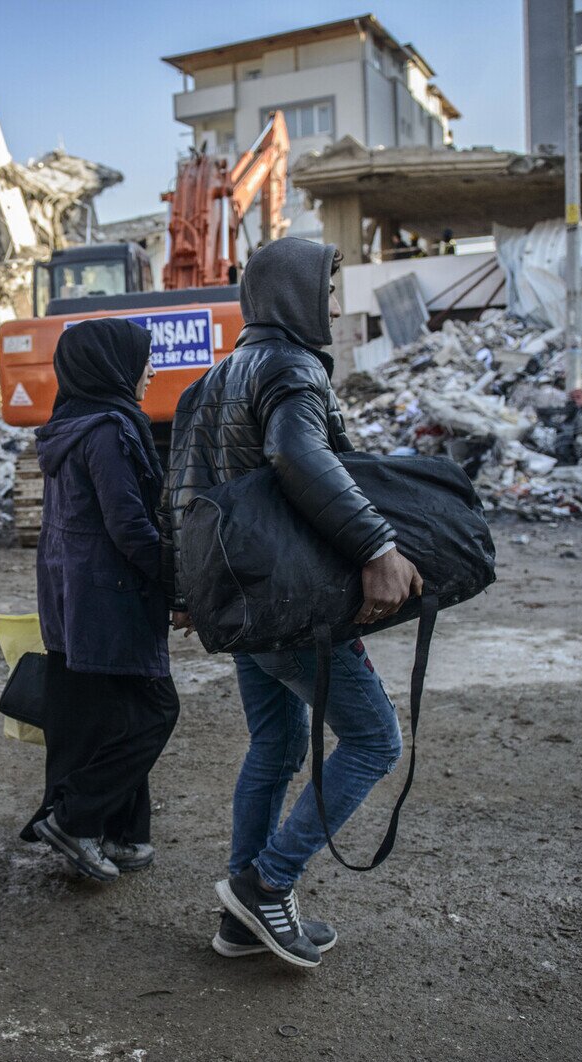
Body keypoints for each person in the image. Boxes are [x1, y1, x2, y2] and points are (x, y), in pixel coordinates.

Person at [159, 237, 424, 967]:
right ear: (296, 296)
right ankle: (269, 882)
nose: (334, 307)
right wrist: (377, 548)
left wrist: (184, 593)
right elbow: (299, 457)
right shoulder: (291, 366)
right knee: (375, 741)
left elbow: (178, 497)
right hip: (290, 603)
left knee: (274, 747)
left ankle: (244, 922)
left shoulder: (207, 383)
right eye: (327, 293)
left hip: (241, 609)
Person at [23, 318, 179, 882]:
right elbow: (130, 526)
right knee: (154, 710)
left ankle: (124, 835)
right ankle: (76, 819)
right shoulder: (111, 430)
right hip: (110, 601)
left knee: (103, 716)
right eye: (143, 360)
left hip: (71, 599)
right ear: (113, 367)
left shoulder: (67, 428)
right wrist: (178, 582)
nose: (151, 371)